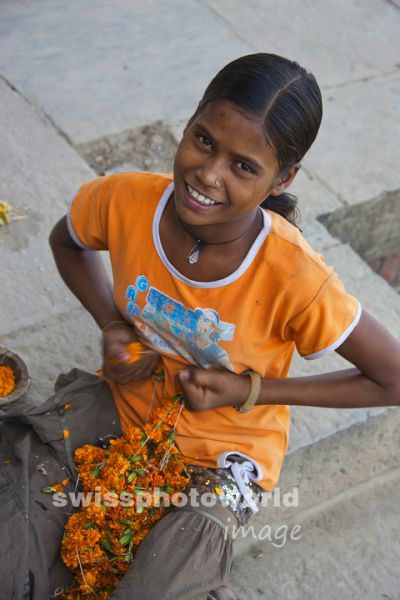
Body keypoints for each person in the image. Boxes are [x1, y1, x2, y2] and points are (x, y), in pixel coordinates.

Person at [4, 53, 399, 600]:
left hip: (225, 456)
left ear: (282, 177)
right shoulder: (126, 200)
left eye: (244, 166)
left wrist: (252, 388)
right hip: (124, 403)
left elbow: (392, 378)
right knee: (12, 548)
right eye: (205, 140)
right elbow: (65, 240)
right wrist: (112, 323)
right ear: (189, 122)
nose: (208, 175)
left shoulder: (292, 275)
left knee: (153, 585)